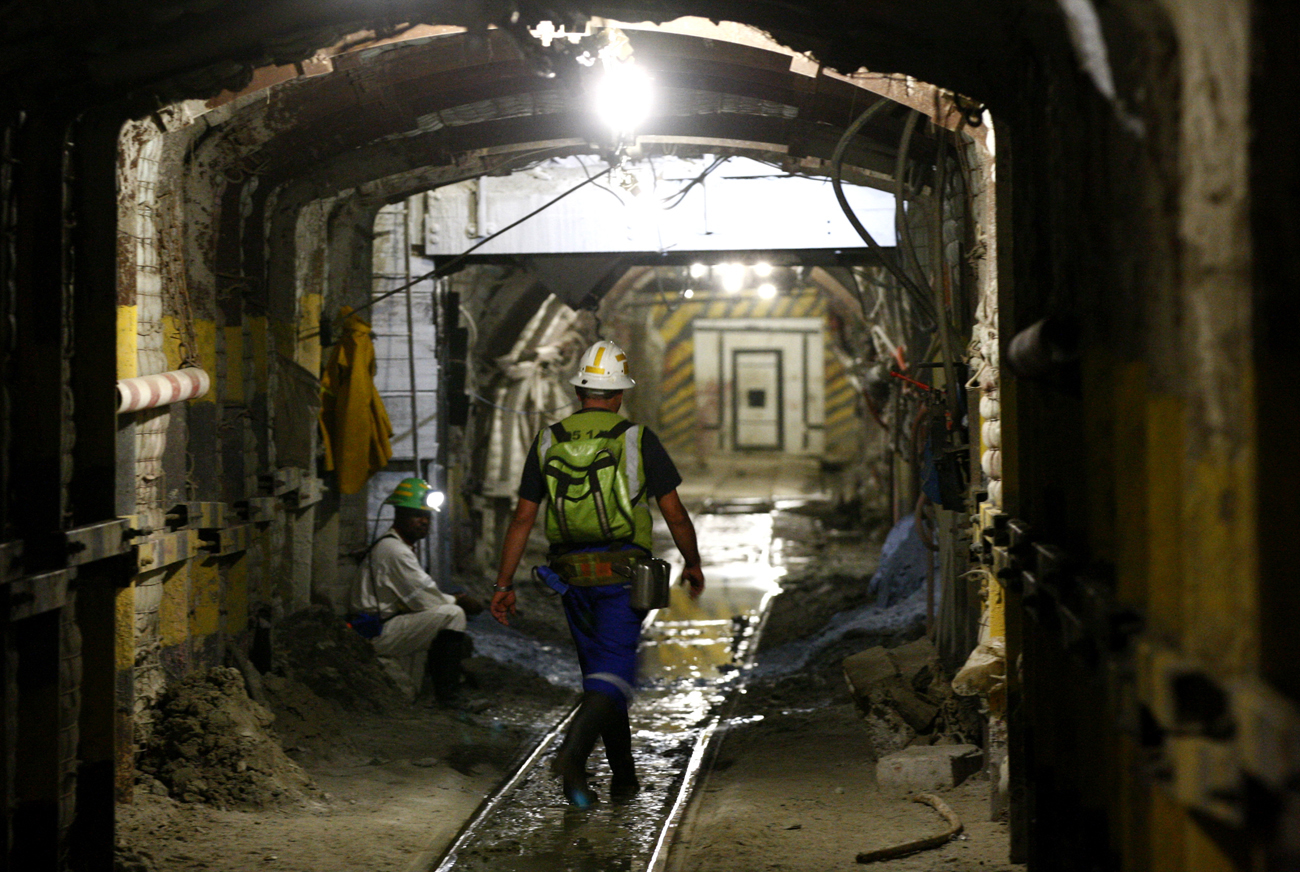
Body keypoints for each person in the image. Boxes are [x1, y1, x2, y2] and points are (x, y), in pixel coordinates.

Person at [490, 339, 705, 807]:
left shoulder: (549, 439)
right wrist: (692, 561)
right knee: (616, 673)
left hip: (570, 577)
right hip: (621, 577)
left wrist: (503, 585)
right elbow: (675, 513)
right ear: (619, 393)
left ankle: (619, 779)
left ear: (581, 388)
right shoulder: (635, 438)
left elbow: (523, 519)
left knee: (600, 680)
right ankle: (573, 754)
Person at [351, 477, 483, 707]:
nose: (424, 521)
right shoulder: (395, 551)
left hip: (379, 625)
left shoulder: (394, 546)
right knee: (452, 615)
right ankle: (448, 697)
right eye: (416, 515)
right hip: (374, 632)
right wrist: (460, 601)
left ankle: (439, 688)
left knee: (448, 613)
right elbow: (425, 599)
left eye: (427, 516)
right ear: (399, 515)